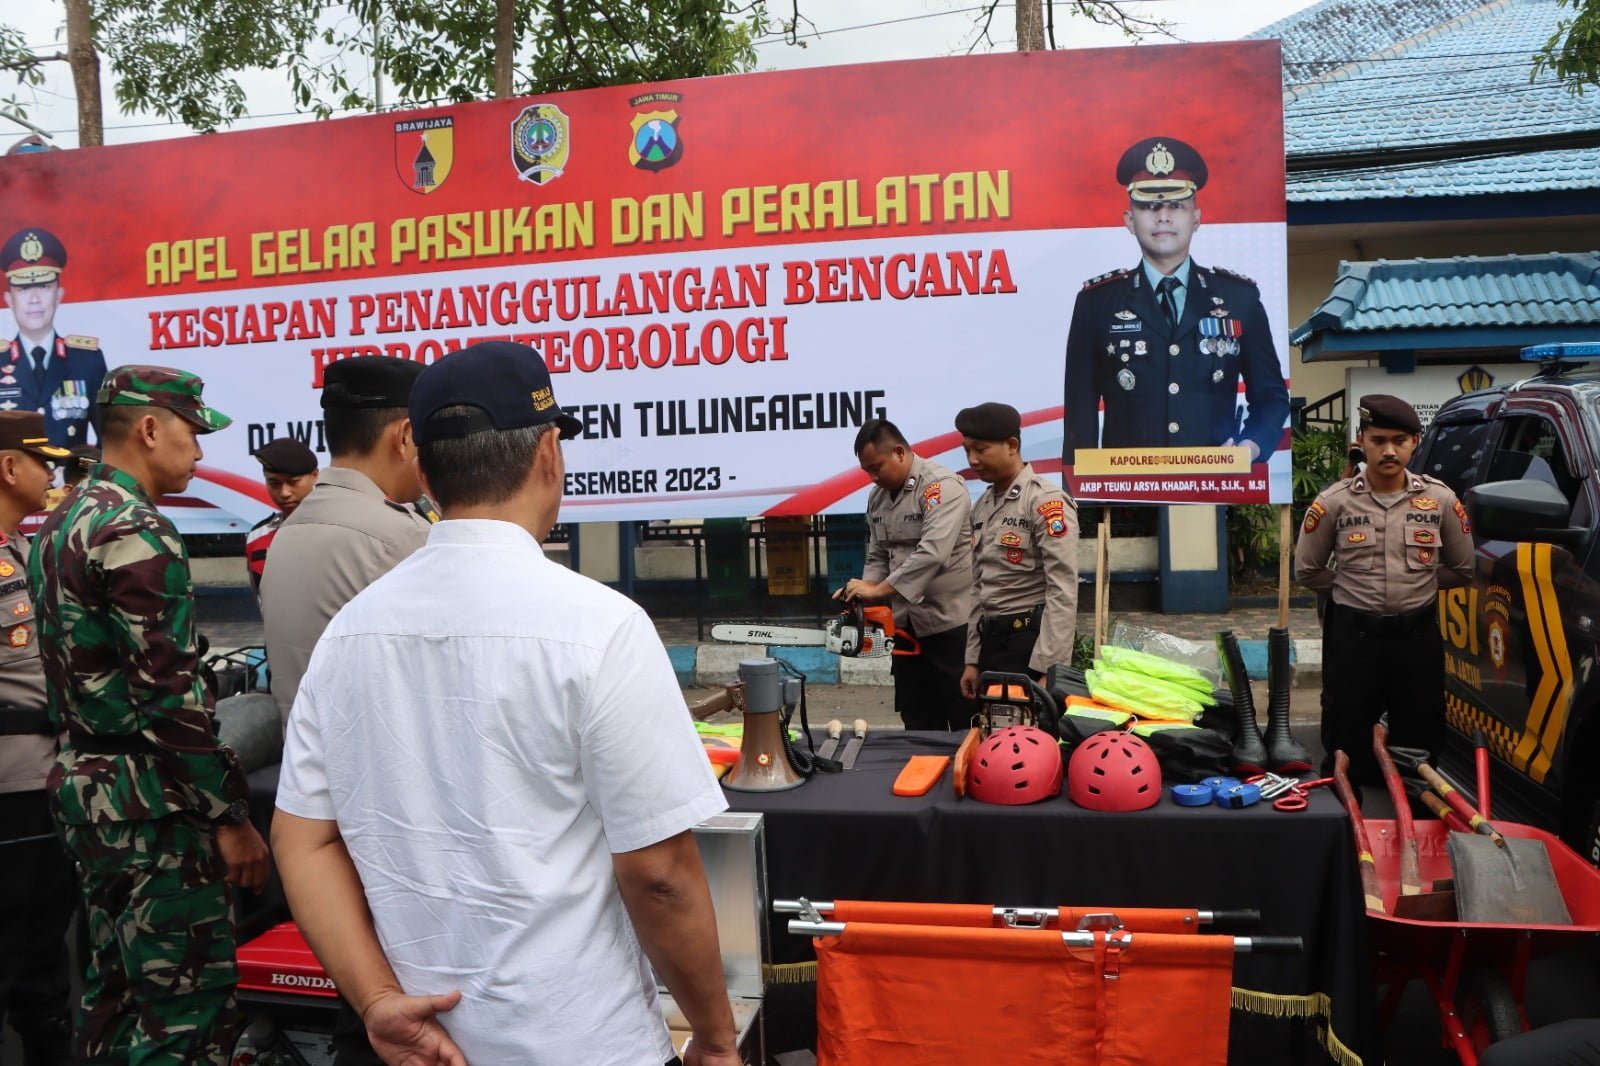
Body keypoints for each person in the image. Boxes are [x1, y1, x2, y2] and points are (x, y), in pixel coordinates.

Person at [272, 340, 740, 1066]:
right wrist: (714, 1039)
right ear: (549, 453)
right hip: (581, 1042)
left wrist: (375, 1002)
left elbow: (302, 838)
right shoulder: (600, 626)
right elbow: (660, 874)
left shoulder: (349, 633)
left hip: (426, 1042)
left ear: (423, 468)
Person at [28, 366, 269, 1064]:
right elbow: (170, 699)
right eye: (193, 433)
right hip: (151, 807)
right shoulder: (135, 527)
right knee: (184, 1016)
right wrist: (230, 817)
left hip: (89, 789)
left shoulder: (65, 518)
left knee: (115, 1000)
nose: (198, 452)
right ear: (150, 429)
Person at [1062, 137, 1289, 465]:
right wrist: (1081, 502)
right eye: (1150, 206)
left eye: (1176, 206)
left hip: (1214, 492)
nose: (1163, 217)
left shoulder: (1239, 299)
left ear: (1196, 217)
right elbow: (1080, 416)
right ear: (1129, 220)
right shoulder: (1097, 303)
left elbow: (1271, 397)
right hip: (1127, 497)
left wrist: (1249, 447)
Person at [1294, 394, 1474, 782]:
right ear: (1363, 441)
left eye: (1399, 440)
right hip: (1353, 637)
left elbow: (1462, 568)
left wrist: (1418, 582)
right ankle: (1347, 822)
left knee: (1422, 731)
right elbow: (1307, 570)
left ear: (1415, 442)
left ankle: (1421, 820)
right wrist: (1350, 587)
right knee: (1345, 731)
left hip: (1417, 637)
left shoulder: (1439, 500)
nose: (1389, 450)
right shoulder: (1334, 502)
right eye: (1378, 440)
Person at [259, 356, 429, 728]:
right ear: (403, 436)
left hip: (303, 770)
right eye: (424, 439)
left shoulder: (285, 533)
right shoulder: (402, 537)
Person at [0, 411, 74, 1065]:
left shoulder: (20, 550)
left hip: (40, 780)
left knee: (41, 970)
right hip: (9, 791)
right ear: (7, 467)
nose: (52, 474)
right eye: (41, 461)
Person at [836, 418, 974, 730]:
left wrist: (879, 590)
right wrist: (862, 592)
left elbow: (933, 553)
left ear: (899, 452)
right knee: (918, 717)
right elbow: (878, 554)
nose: (872, 477)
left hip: (951, 623)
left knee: (964, 715)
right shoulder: (878, 497)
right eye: (866, 471)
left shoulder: (941, 487)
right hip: (905, 627)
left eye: (877, 467)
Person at [956, 402, 1080, 699]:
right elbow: (979, 588)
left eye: (981, 450)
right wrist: (972, 658)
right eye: (967, 451)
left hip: (1030, 646)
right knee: (991, 737)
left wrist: (1050, 668)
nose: (972, 459)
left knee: (1026, 741)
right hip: (992, 644)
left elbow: (1062, 590)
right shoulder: (983, 504)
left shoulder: (1045, 502)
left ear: (1012, 445)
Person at [1, 228, 108, 447]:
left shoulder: (87, 361)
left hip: (72, 481)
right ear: (9, 299)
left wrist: (78, 473)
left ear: (59, 295)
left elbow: (108, 443)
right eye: (23, 290)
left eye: (43, 286)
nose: (34, 300)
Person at [244, 437, 319, 598]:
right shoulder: (257, 537)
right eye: (274, 483)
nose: (284, 493)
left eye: (293, 482)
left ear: (315, 475)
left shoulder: (340, 529)